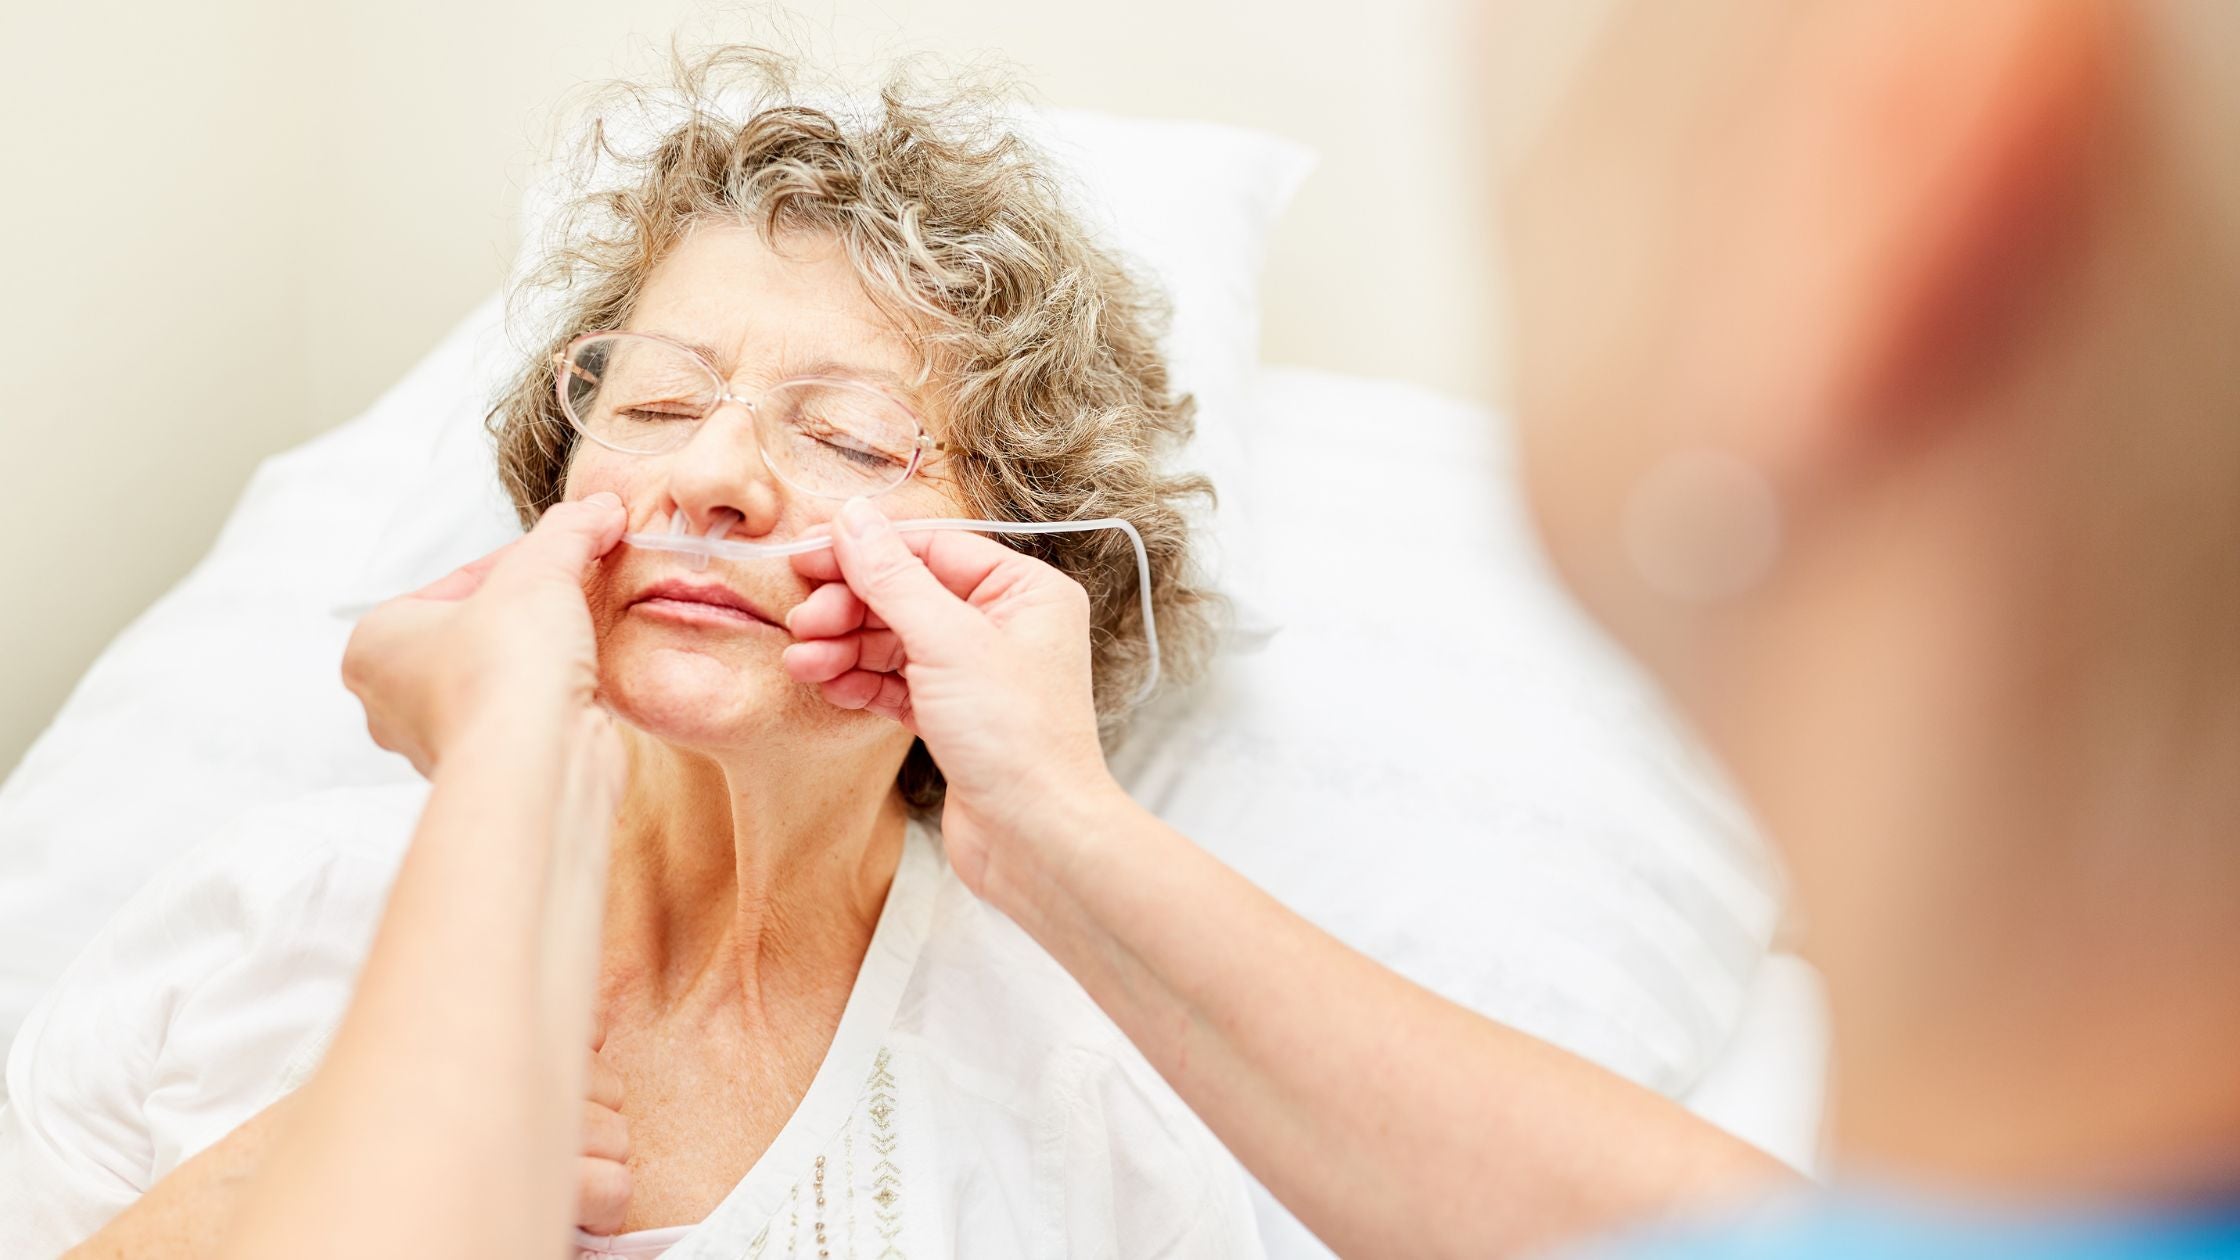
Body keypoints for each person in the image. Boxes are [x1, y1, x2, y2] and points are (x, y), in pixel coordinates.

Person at [0, 49, 1261, 1260]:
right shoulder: (254, 929)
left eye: (854, 440)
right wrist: (258, 1204)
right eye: (655, 405)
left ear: (1018, 575)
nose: (707, 476)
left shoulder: (1091, 1135)